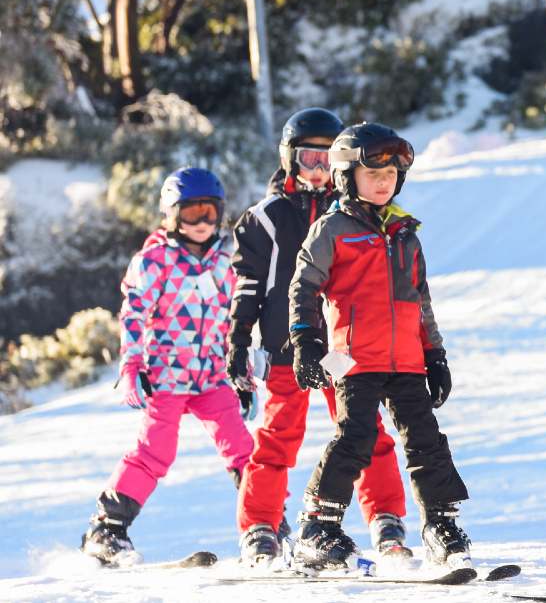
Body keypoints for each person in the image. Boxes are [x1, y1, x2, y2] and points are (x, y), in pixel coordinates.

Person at [229, 108, 412, 566]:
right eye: (308, 160)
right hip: (286, 350)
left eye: (325, 161)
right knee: (276, 437)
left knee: (363, 428)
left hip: (338, 352)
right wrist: (237, 340)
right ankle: (260, 527)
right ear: (289, 160)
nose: (317, 172)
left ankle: (386, 520)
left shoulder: (351, 215)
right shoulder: (266, 217)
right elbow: (247, 283)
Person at [287, 122, 470, 571]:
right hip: (352, 356)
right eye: (374, 173)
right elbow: (303, 287)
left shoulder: (405, 233)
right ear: (347, 177)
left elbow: (420, 300)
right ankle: (317, 527)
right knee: (356, 437)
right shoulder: (332, 230)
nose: (385, 181)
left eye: (391, 174)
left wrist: (436, 355)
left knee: (427, 441)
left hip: (406, 359)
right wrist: (306, 341)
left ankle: (440, 526)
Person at [82, 167, 253, 566]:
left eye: (210, 213)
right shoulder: (154, 260)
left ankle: (266, 522)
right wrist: (132, 365)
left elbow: (237, 320)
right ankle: (107, 528)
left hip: (212, 376)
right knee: (155, 451)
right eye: (192, 214)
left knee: (243, 449)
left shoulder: (227, 260)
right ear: (172, 215)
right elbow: (133, 316)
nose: (202, 223)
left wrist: (241, 372)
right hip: (166, 378)